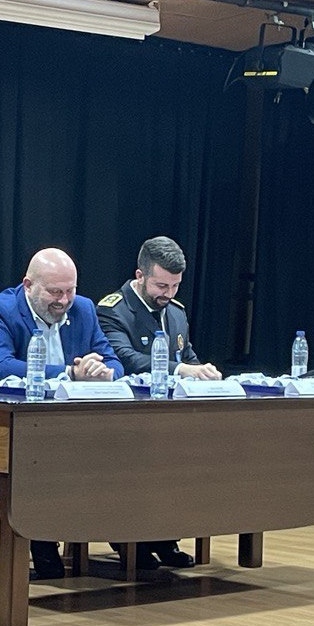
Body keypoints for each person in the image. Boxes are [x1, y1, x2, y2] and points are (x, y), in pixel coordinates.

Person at [0, 248, 124, 578]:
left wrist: (103, 371)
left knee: (122, 445)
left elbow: (113, 361)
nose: (64, 300)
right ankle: (41, 540)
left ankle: (125, 532)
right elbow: (0, 369)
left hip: (71, 420)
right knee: (50, 452)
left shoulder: (83, 308)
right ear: (28, 285)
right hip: (10, 423)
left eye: (70, 290)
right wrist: (71, 372)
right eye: (55, 291)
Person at [97, 236, 222, 570]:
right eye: (161, 285)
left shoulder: (176, 313)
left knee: (186, 464)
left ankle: (166, 539)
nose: (168, 293)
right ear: (140, 275)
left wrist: (205, 372)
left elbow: (188, 354)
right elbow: (125, 358)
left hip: (171, 419)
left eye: (176, 286)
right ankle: (128, 540)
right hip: (125, 419)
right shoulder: (112, 310)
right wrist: (183, 368)